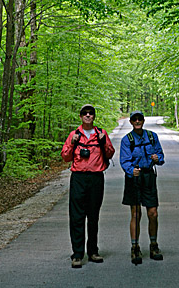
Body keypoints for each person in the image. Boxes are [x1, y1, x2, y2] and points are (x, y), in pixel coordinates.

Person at [61, 104, 115, 268]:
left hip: (96, 178)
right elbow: (65, 156)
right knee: (77, 217)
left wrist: (103, 142)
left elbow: (110, 153)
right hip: (78, 178)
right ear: (80, 116)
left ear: (94, 116)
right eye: (85, 113)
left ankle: (93, 251)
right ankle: (77, 254)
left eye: (91, 113)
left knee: (93, 216)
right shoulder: (74, 134)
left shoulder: (101, 134)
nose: (88, 115)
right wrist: (72, 143)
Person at [120, 110, 165, 265]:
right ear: (131, 122)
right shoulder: (127, 140)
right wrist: (131, 170)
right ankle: (135, 247)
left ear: (143, 121)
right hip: (134, 178)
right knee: (136, 213)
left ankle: (153, 245)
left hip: (148, 176)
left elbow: (161, 156)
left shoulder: (152, 137)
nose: (137, 121)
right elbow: (124, 160)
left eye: (140, 119)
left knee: (153, 213)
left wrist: (157, 158)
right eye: (134, 119)